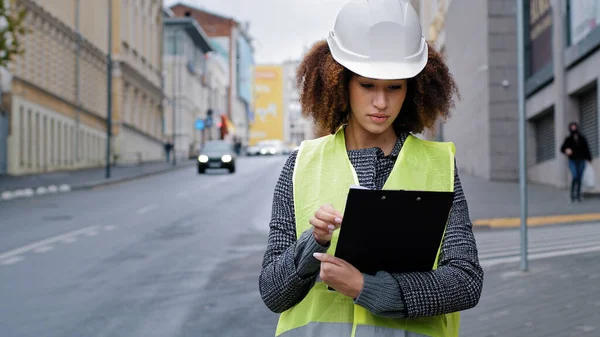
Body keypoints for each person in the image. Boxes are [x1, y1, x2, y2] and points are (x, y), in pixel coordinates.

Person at [258, 1, 483, 336]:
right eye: (367, 85)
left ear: (413, 88)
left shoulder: (439, 167)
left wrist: (367, 288)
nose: (381, 102)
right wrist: (313, 243)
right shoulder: (300, 164)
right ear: (340, 83)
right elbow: (273, 294)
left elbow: (466, 281)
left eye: (395, 86)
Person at [560, 122, 593, 202]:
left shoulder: (582, 138)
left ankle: (578, 195)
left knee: (579, 178)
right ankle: (572, 194)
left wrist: (589, 158)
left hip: (581, 160)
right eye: (572, 127)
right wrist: (566, 150)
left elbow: (586, 149)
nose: (573, 128)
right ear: (570, 128)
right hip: (572, 160)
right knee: (575, 176)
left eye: (575, 126)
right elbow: (562, 149)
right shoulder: (568, 139)